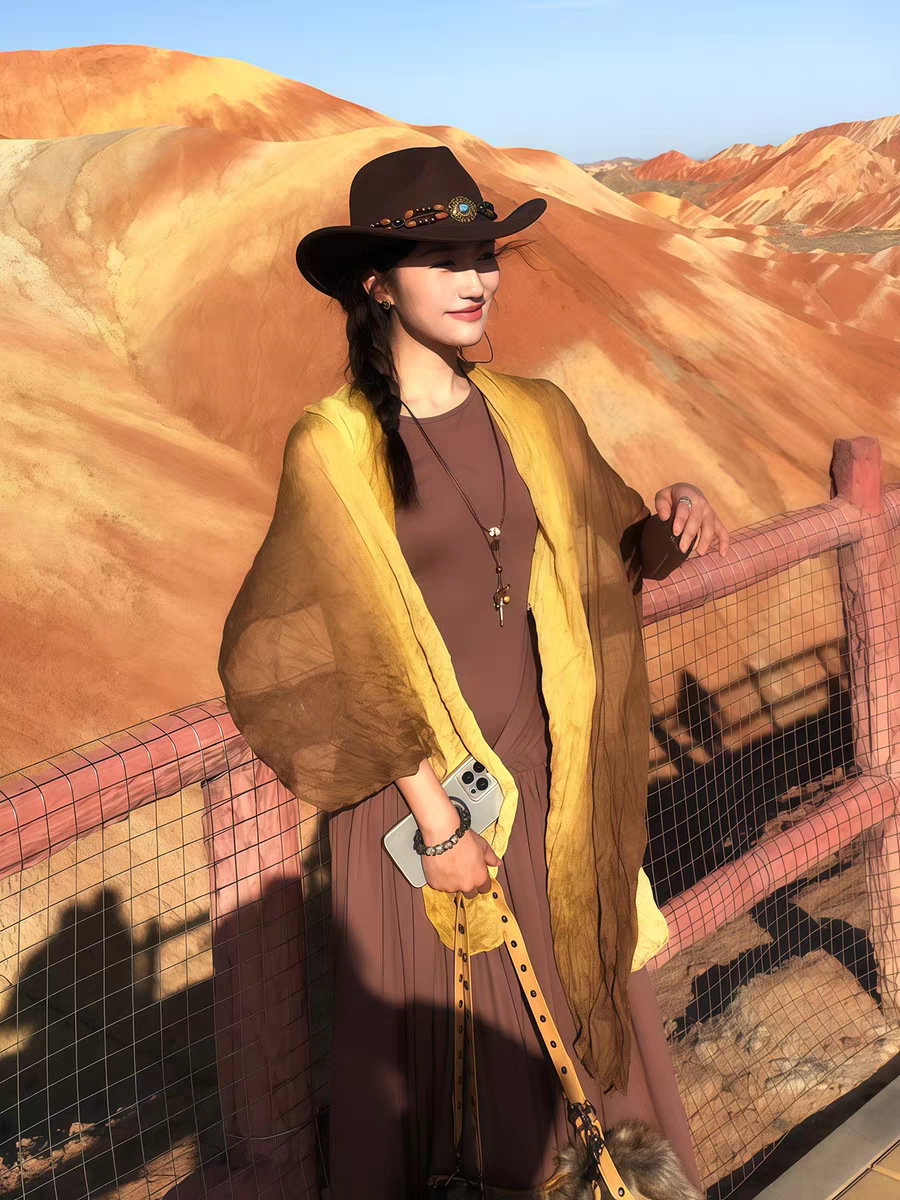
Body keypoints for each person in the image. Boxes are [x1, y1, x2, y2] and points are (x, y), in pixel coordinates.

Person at [220, 145, 729, 1198]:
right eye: (442, 258)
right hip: (429, 812)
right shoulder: (334, 445)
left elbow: (611, 555)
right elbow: (322, 655)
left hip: (546, 790)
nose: (475, 278)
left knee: (587, 1047)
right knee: (467, 1095)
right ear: (377, 283)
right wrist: (439, 824)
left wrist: (674, 517)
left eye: (483, 254)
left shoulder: (534, 410)